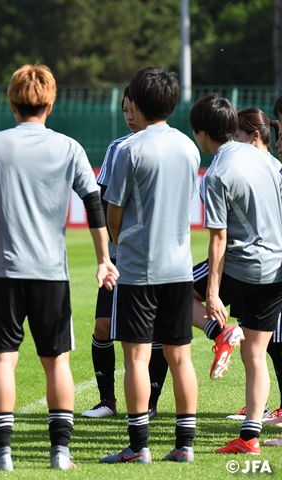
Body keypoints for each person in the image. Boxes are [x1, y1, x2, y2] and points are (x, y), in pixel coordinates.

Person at [0, 64, 118, 471]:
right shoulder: (68, 147)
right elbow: (93, 202)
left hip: (2, 270)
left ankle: (2, 453)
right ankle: (60, 453)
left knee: (1, 362)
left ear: (12, 103)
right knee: (58, 362)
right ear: (50, 103)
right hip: (51, 273)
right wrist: (104, 257)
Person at [99, 66, 200, 464]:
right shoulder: (189, 148)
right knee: (181, 358)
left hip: (138, 268)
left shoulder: (129, 149)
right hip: (179, 267)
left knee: (137, 358)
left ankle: (139, 447)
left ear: (136, 104)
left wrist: (120, 244)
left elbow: (114, 212)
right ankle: (186, 445)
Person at [189, 94, 282, 455]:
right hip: (277, 268)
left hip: (244, 265)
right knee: (256, 354)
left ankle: (220, 331)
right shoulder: (266, 159)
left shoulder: (217, 173)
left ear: (200, 133)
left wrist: (212, 293)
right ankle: (249, 438)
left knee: (176, 291)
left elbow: (218, 238)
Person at [82, 86, 169, 420]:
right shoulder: (117, 148)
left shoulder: (171, 146)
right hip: (120, 255)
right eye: (124, 111)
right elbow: (102, 201)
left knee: (156, 332)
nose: (129, 117)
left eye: (134, 110)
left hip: (157, 257)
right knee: (103, 326)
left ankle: (150, 403)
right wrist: (109, 248)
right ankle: (107, 401)